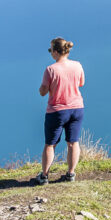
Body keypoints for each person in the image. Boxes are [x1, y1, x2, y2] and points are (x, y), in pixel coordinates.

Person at [32, 37, 85, 185]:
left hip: (57, 111)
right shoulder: (77, 65)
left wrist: (44, 89)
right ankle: (71, 174)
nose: (50, 53)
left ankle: (44, 176)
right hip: (77, 108)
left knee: (50, 144)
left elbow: (43, 91)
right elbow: (81, 83)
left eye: (50, 50)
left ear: (55, 52)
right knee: (73, 142)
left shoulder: (51, 69)